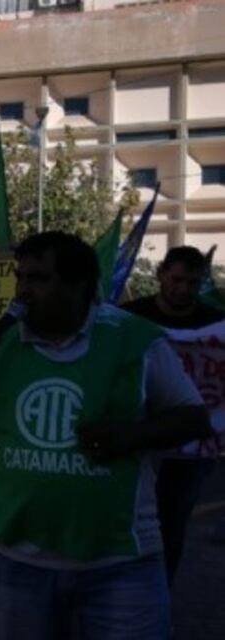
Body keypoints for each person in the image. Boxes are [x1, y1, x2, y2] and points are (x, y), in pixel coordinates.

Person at [0, 232, 212, 639]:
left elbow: (194, 419)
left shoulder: (135, 339)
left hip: (120, 563)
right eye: (20, 278)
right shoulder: (1, 345)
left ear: (79, 284)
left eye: (39, 279)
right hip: (19, 559)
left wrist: (127, 437)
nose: (23, 291)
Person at [122, 245, 225, 585]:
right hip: (136, 438)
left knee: (173, 521)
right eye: (177, 279)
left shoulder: (216, 325)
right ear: (161, 275)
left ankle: (160, 594)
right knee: (128, 519)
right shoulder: (129, 318)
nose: (183, 289)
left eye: (192, 283)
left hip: (191, 446)